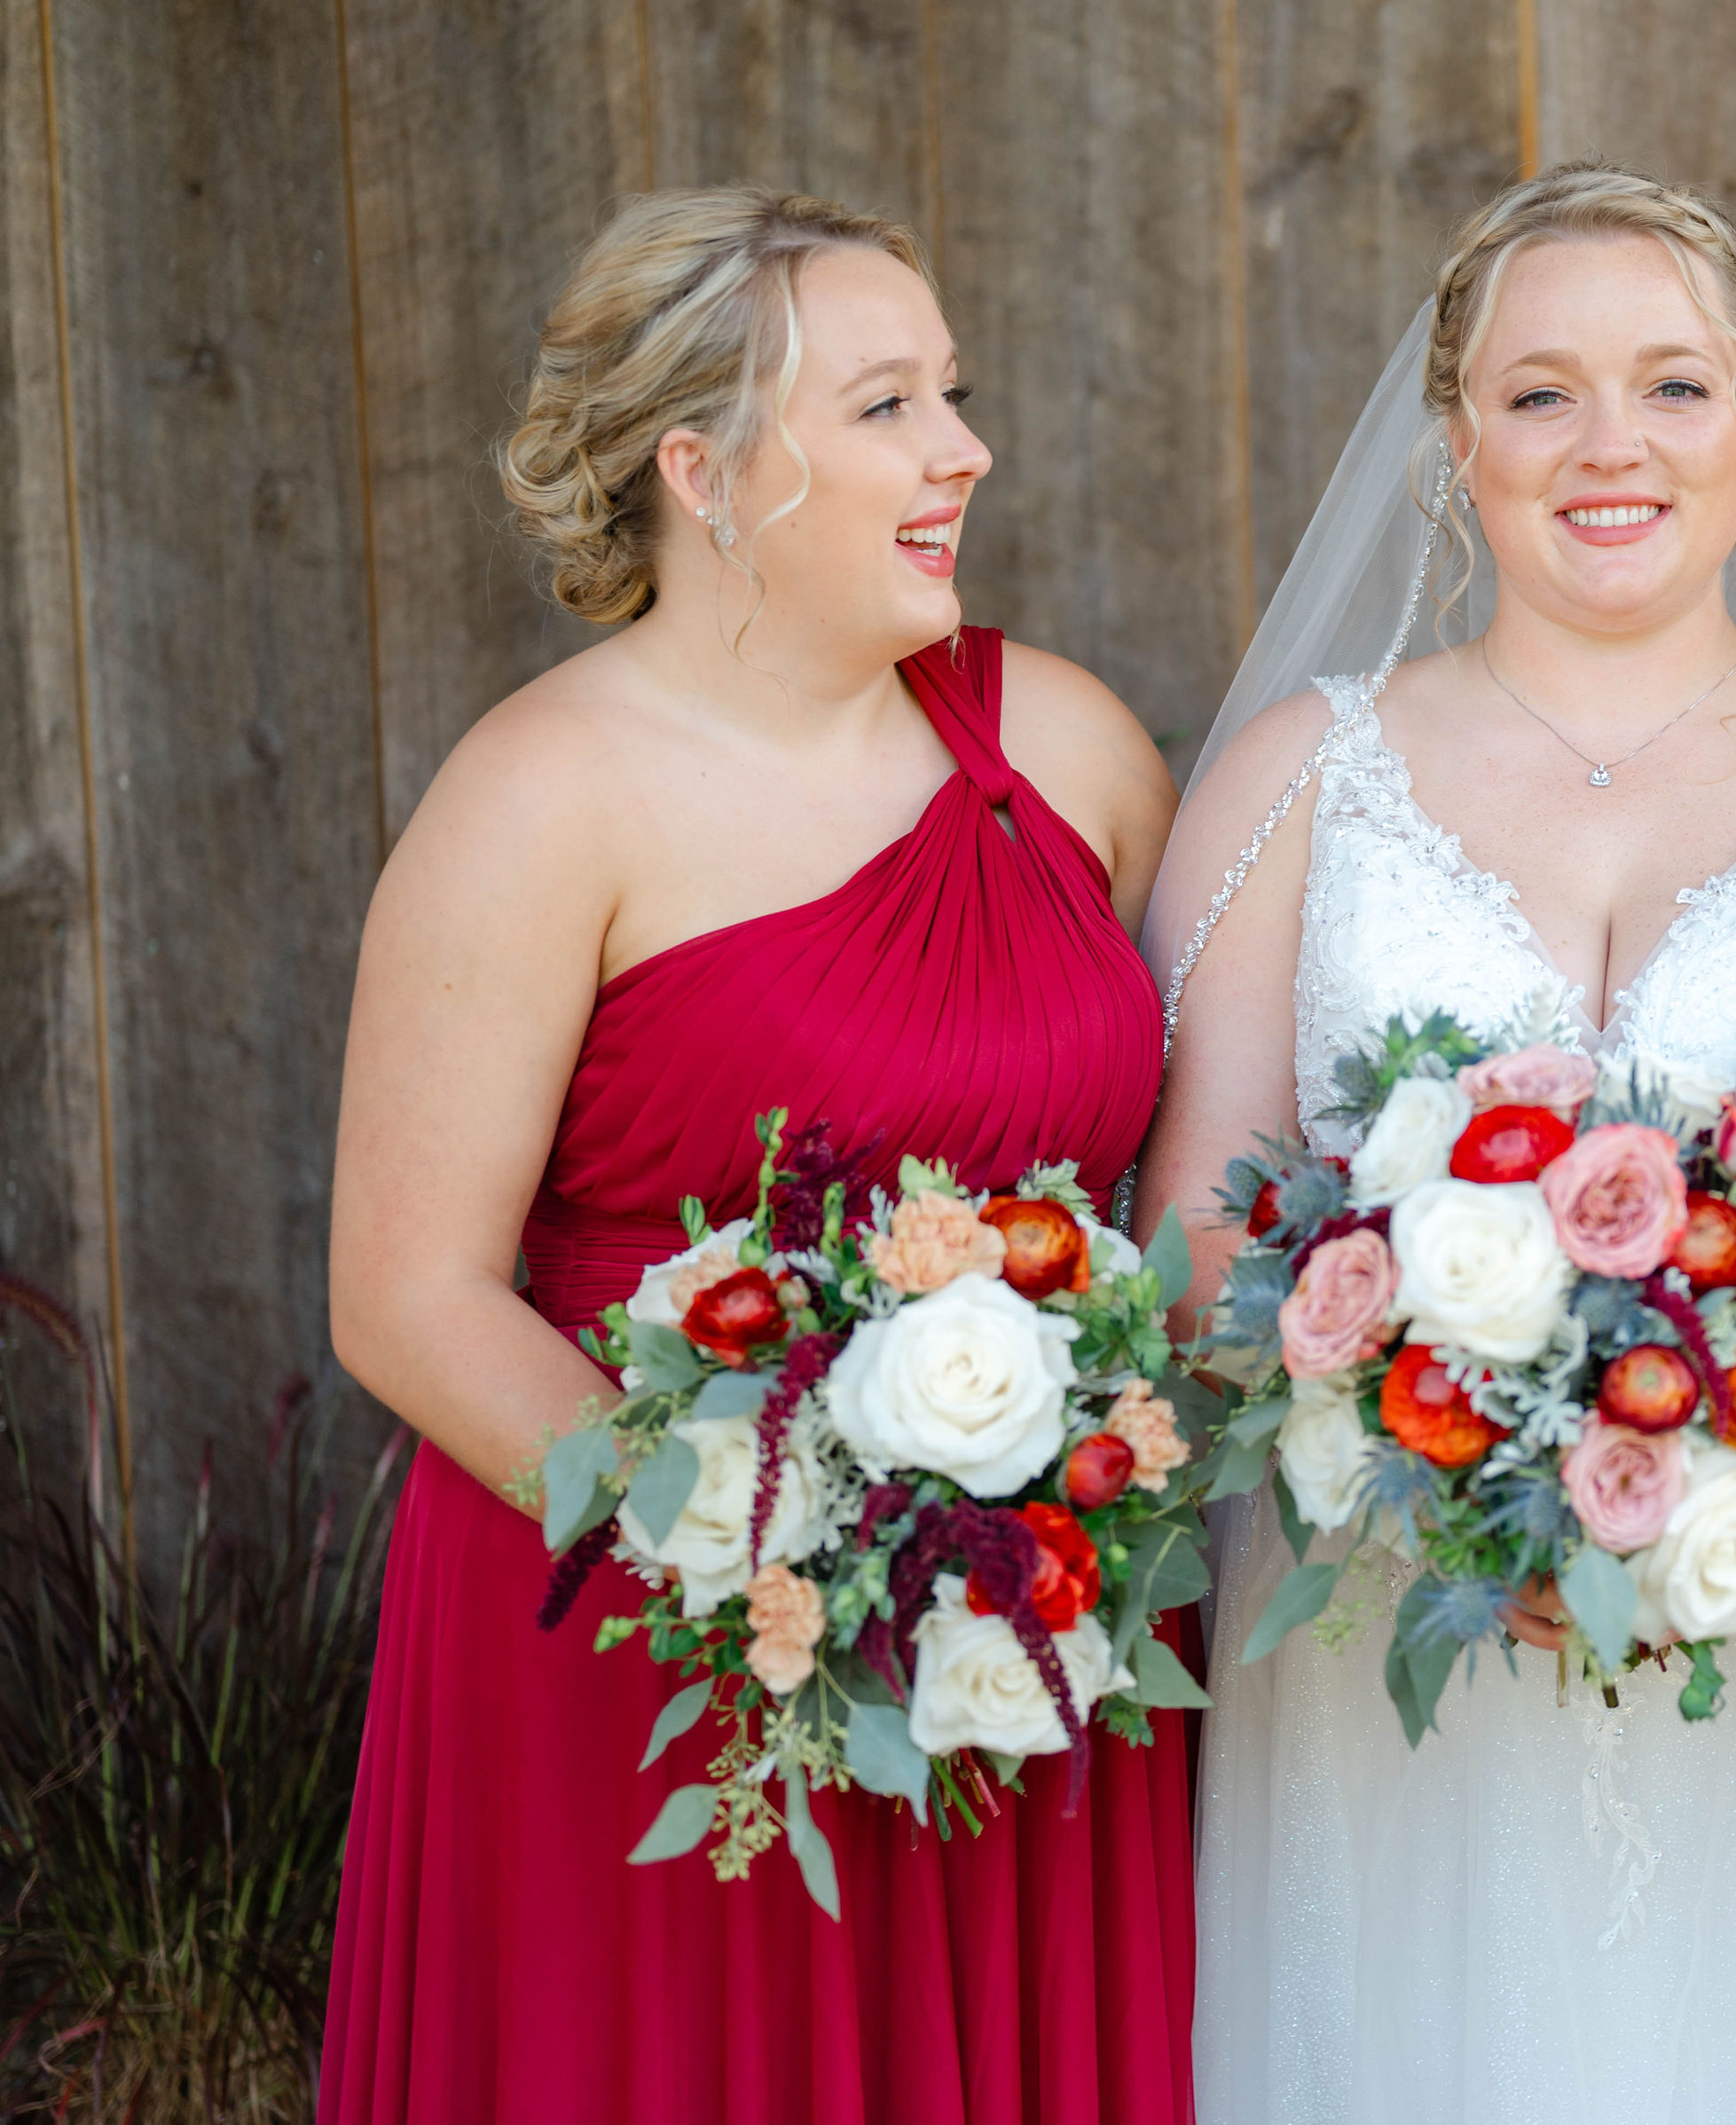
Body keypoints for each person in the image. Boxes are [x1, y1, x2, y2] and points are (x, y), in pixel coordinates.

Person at [1133, 162, 1736, 2122]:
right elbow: (1187, 1239)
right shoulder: (1300, 775)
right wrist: (1457, 1452)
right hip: (1397, 1655)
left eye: (1672, 385)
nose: (1609, 446)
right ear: (1454, 441)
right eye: (1540, 392)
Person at [323, 189, 1190, 2123]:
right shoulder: (544, 800)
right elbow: (406, 1295)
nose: (962, 450)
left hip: (1023, 1621)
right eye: (885, 405)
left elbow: (1205, 1156)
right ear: (701, 472)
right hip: (654, 1648)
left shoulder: (1059, 746)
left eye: (950, 392)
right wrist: (767, 1567)